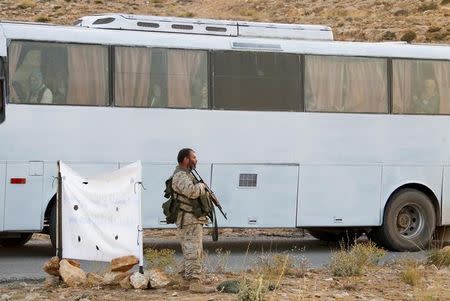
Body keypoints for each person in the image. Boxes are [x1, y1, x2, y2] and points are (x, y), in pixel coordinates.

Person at [171, 148, 215, 293]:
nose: (196, 160)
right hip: (188, 220)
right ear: (185, 159)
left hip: (192, 219)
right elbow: (192, 191)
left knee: (191, 251)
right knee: (194, 252)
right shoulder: (180, 176)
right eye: (194, 157)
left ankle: (185, 281)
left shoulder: (187, 175)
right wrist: (202, 186)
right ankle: (195, 283)